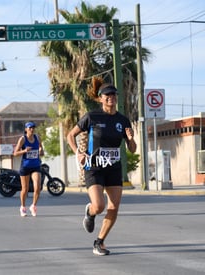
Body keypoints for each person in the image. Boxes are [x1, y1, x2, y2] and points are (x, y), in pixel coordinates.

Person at [67, 78, 137, 256]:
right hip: (94, 166)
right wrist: (78, 152)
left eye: (113, 94)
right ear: (100, 98)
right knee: (99, 206)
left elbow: (132, 150)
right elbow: (70, 135)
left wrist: (131, 138)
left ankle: (99, 242)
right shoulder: (92, 117)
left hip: (113, 167)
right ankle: (90, 213)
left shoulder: (123, 120)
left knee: (113, 208)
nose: (111, 97)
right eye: (107, 95)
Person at [13, 121, 44, 217]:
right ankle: (22, 207)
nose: (32, 129)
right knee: (25, 189)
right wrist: (25, 150)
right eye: (30, 128)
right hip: (25, 166)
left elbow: (42, 152)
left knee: (37, 187)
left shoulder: (37, 138)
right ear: (26, 129)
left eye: (33, 127)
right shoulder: (22, 139)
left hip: (36, 166)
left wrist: (41, 151)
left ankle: (33, 206)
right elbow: (15, 153)